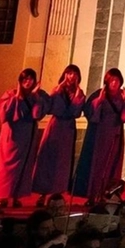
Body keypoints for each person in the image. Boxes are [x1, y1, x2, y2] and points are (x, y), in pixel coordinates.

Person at [72, 68, 125, 204]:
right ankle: (92, 195)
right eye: (112, 80)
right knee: (96, 165)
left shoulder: (123, 95)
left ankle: (106, 195)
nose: (114, 83)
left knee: (112, 165)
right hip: (98, 135)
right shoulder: (99, 94)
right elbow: (89, 111)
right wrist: (99, 100)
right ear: (107, 81)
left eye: (117, 80)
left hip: (115, 135)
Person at [0, 68, 48, 211]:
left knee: (23, 166)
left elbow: (38, 114)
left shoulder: (37, 96)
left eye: (31, 79)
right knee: (6, 167)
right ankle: (2, 197)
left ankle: (16, 196)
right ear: (20, 80)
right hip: (12, 136)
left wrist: (35, 97)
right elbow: (4, 114)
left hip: (27, 136)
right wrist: (19, 96)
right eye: (25, 79)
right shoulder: (10, 94)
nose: (28, 82)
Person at [32, 64, 86, 205]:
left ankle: (57, 194)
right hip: (55, 126)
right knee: (47, 159)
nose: (71, 76)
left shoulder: (79, 93)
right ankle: (42, 193)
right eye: (68, 73)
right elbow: (50, 106)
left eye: (74, 74)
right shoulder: (57, 90)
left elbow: (76, 112)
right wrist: (59, 87)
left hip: (68, 128)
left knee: (63, 162)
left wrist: (77, 95)